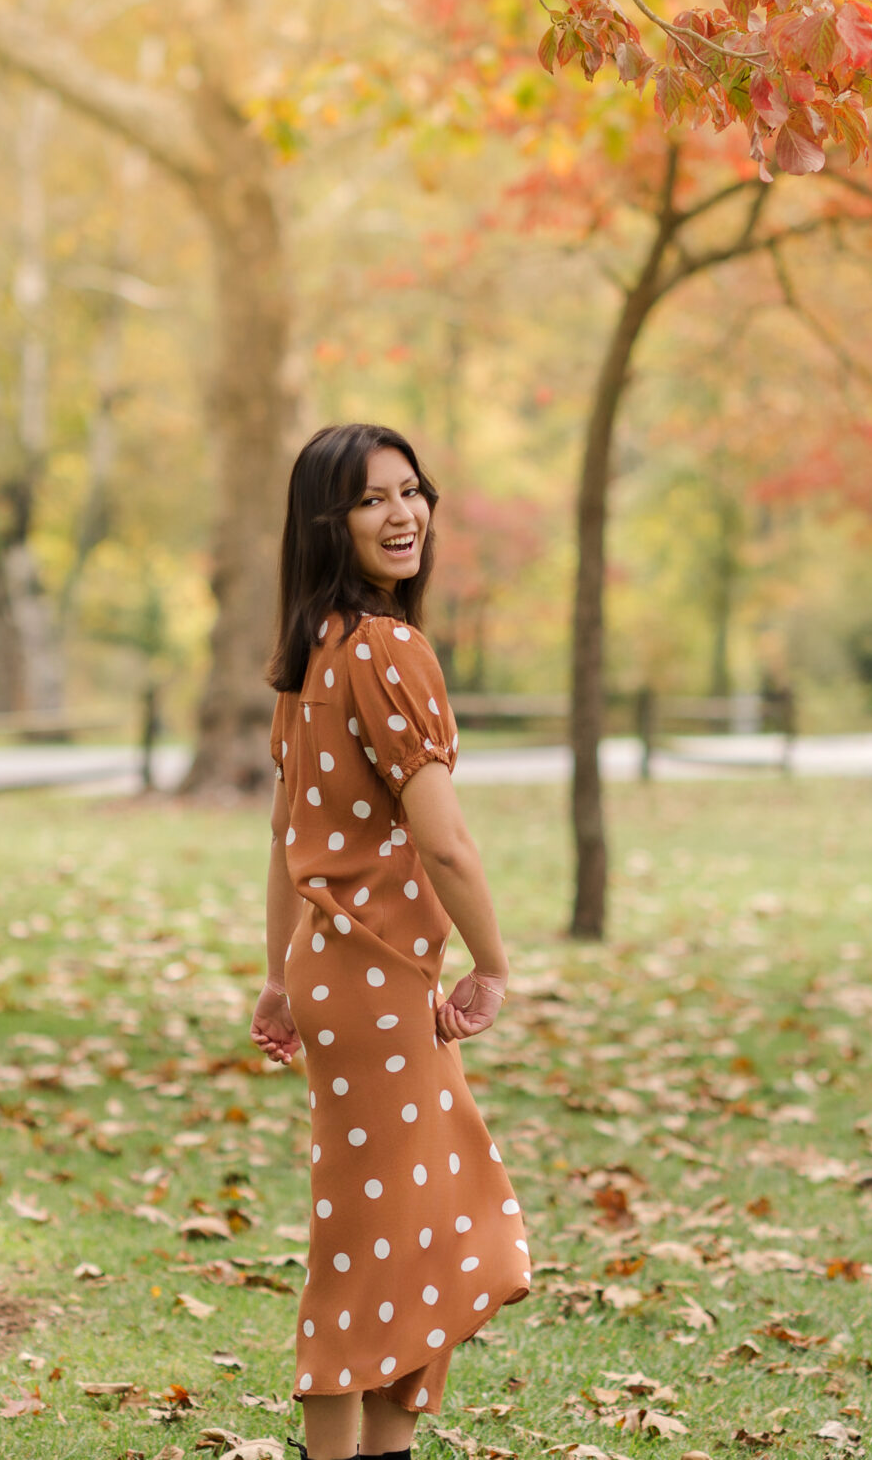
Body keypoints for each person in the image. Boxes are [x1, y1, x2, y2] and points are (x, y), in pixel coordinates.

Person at [249, 422, 531, 1460]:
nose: (403, 513)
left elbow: (288, 837)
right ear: (328, 523)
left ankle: (388, 1448)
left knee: (424, 1220)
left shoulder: (313, 647)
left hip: (343, 971)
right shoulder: (387, 650)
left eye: (412, 491)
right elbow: (443, 837)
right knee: (373, 1238)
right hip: (375, 978)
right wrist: (493, 963)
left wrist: (281, 976)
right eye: (372, 499)